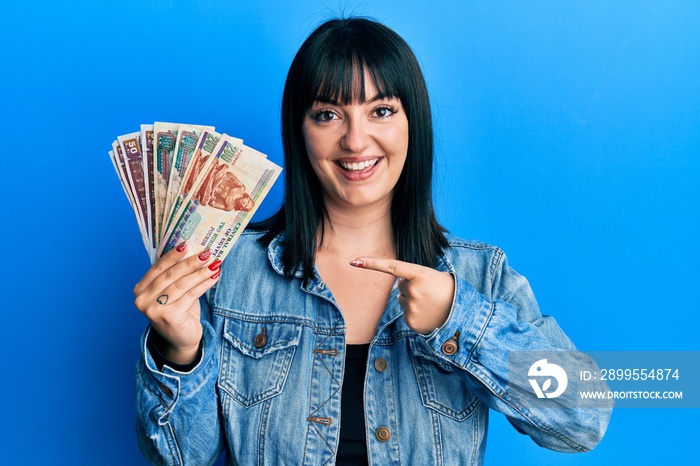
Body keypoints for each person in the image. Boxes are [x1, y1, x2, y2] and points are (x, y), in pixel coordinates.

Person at [133, 17, 611, 465]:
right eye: (327, 114)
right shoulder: (227, 271)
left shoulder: (477, 276)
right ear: (300, 132)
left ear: (412, 124)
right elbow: (176, 458)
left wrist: (457, 318)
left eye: (381, 110)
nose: (356, 141)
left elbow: (583, 419)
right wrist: (179, 353)